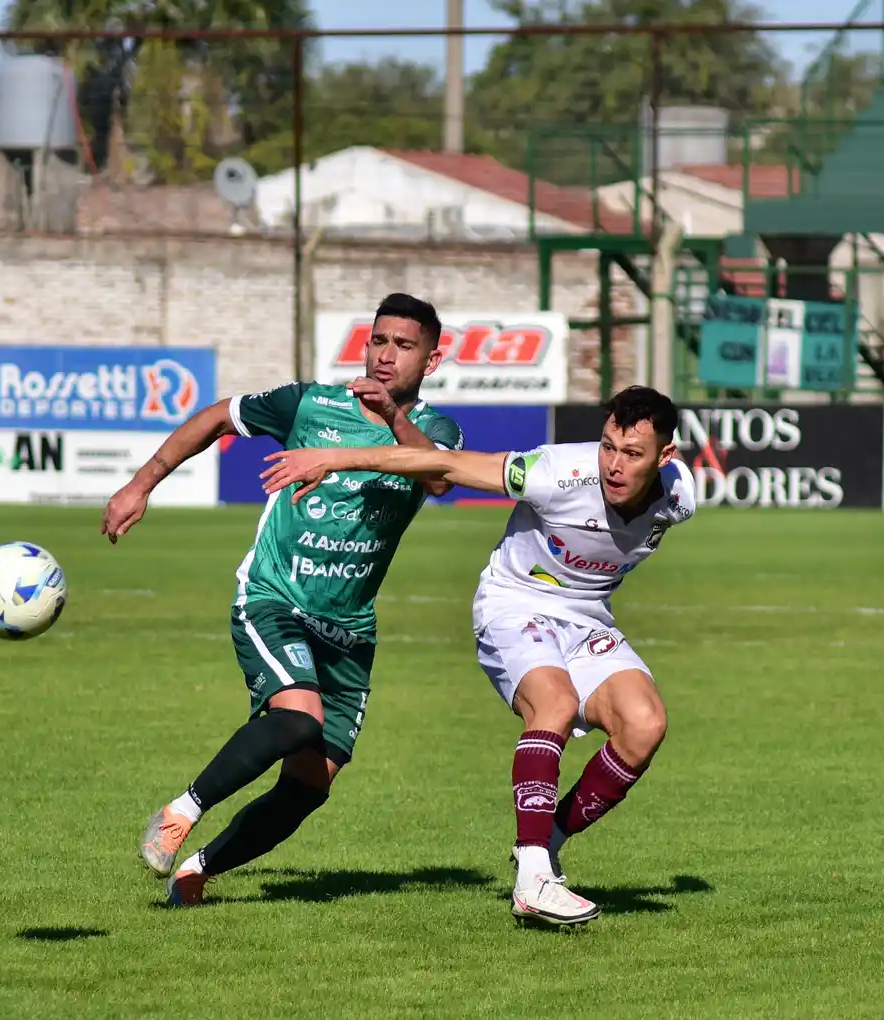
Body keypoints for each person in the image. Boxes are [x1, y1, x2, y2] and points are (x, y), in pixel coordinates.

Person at [259, 385, 694, 927]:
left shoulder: (680, 496)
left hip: (586, 619)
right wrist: (335, 457)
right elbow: (442, 463)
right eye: (608, 446)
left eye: (632, 454)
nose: (613, 464)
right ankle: (533, 879)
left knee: (645, 723)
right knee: (553, 704)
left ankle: (545, 842)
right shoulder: (556, 472)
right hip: (514, 605)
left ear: (665, 457)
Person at [101, 293, 463, 907]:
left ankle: (197, 870)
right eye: (379, 340)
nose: (385, 355)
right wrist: (141, 483)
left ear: (430, 360)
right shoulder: (311, 404)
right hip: (274, 596)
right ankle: (179, 811)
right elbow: (218, 416)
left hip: (349, 626)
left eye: (404, 346)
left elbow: (436, 476)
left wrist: (392, 418)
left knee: (309, 783)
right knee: (298, 719)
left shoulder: (438, 431)